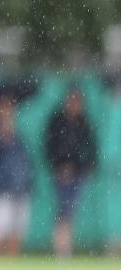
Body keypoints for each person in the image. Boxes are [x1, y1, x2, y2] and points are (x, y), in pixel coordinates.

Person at [45, 86, 97, 257]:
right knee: (64, 211)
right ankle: (62, 250)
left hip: (78, 174)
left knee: (69, 212)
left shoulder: (83, 123)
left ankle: (64, 248)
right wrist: (60, 165)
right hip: (62, 174)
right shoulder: (57, 121)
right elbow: (50, 146)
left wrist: (87, 167)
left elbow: (90, 148)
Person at [0, 94, 33, 256]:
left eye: (10, 108)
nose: (7, 112)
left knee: (17, 230)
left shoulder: (18, 135)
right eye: (4, 108)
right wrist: (1, 138)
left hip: (20, 188)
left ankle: (10, 267)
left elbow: (23, 161)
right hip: (0, 189)